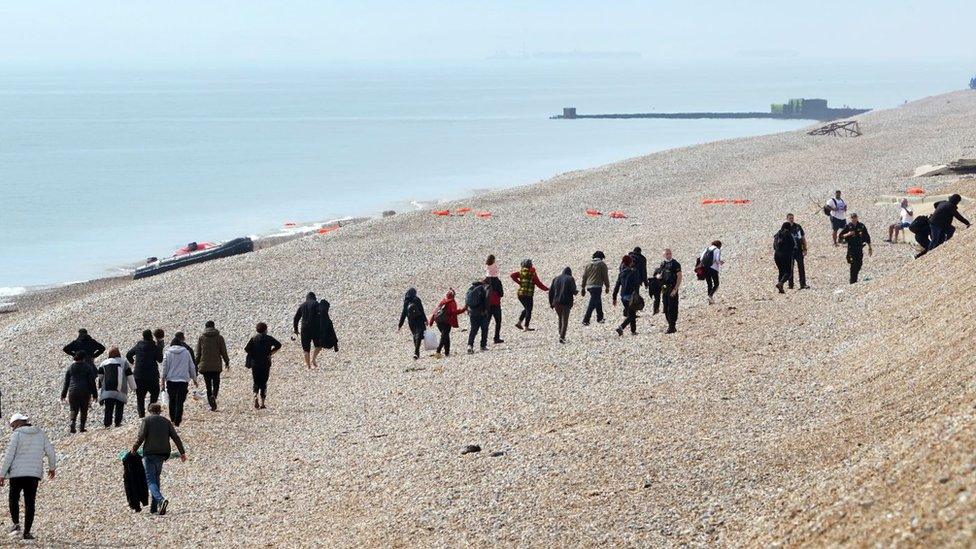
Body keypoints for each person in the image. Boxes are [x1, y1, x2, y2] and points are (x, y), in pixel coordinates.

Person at [0, 413, 56, 540]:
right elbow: (51, 452)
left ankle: (16, 524)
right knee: (30, 502)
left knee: (13, 498)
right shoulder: (40, 434)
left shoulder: (17, 435)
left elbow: (9, 456)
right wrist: (52, 467)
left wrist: (2, 474)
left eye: (13, 425)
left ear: (19, 423)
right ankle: (27, 532)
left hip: (17, 474)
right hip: (33, 474)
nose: (13, 429)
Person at [131, 403, 187, 516]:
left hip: (149, 454)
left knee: (150, 480)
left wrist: (134, 448)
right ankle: (154, 508)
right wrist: (182, 453)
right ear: (160, 411)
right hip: (162, 454)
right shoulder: (166, 422)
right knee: (156, 479)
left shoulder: (147, 421)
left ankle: (161, 500)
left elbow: (141, 436)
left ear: (149, 410)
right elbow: (175, 437)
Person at [160, 333, 198, 427]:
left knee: (172, 400)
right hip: (183, 380)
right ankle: (177, 420)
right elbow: (191, 366)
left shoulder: (168, 353)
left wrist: (163, 380)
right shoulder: (186, 352)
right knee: (180, 401)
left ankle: (172, 418)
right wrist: (194, 379)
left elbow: (164, 367)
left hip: (171, 380)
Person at [126, 330, 164, 418]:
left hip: (139, 375)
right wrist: (159, 348)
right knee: (154, 394)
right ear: (151, 336)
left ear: (143, 337)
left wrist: (133, 362)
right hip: (152, 376)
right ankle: (151, 409)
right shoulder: (154, 346)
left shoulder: (139, 345)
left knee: (140, 398)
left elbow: (128, 354)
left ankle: (141, 416)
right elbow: (160, 360)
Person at [244, 323, 282, 409]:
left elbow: (246, 349)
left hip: (255, 363)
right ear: (265, 330)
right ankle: (262, 403)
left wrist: (253, 353)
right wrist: (271, 352)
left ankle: (255, 395)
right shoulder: (269, 338)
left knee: (256, 381)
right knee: (264, 382)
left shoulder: (254, 338)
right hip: (265, 363)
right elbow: (279, 345)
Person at [97, 347, 136, 428]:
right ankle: (117, 423)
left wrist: (101, 384)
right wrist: (133, 387)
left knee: (108, 407)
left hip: (107, 389)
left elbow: (100, 376)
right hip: (120, 388)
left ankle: (107, 423)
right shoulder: (124, 362)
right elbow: (129, 375)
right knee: (119, 406)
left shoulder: (104, 363)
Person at [195, 321, 229, 412]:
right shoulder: (219, 337)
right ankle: (214, 395)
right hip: (216, 366)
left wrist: (195, 364)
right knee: (216, 382)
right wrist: (227, 362)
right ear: (214, 327)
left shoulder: (201, 338)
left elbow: (198, 353)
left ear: (205, 327)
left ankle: (211, 401)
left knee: (208, 385)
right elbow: (223, 351)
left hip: (205, 366)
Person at [60, 351, 97, 433]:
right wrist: (95, 394)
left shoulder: (70, 368)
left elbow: (66, 382)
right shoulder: (87, 367)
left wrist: (63, 394)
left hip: (73, 391)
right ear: (83, 358)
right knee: (84, 409)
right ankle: (82, 427)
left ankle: (72, 423)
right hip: (85, 391)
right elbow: (92, 382)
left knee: (73, 409)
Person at [510, 259, 548, 331]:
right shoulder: (532, 274)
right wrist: (547, 289)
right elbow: (538, 284)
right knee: (529, 310)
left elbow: (512, 275)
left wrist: (519, 282)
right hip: (528, 295)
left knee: (526, 308)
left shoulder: (520, 272)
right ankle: (526, 327)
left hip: (520, 294)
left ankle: (519, 323)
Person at [429, 290, 466, 358]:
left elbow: (436, 311)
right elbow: (454, 312)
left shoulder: (443, 301)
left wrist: (431, 321)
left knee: (445, 336)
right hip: (447, 322)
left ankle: (447, 352)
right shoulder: (452, 302)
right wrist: (463, 310)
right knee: (444, 336)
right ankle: (438, 351)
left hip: (439, 321)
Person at [838, 213, 873, 284]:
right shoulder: (848, 226)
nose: (854, 219)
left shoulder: (861, 226)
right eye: (852, 218)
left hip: (859, 248)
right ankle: (853, 281)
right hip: (851, 248)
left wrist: (870, 247)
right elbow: (840, 237)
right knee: (853, 264)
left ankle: (855, 279)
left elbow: (867, 237)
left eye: (855, 217)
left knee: (859, 264)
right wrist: (848, 234)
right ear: (850, 218)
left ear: (857, 218)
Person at [654, 249, 682, 334]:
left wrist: (675, 289)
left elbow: (679, 276)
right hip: (664, 288)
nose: (668, 255)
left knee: (672, 308)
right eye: (667, 254)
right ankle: (670, 325)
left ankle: (672, 326)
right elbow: (659, 273)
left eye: (670, 253)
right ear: (664, 255)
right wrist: (657, 276)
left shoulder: (675, 264)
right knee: (665, 308)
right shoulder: (663, 264)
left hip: (672, 287)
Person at [613, 255, 642, 336]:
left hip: (623, 296)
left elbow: (617, 285)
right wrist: (637, 295)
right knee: (632, 315)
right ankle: (621, 327)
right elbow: (637, 285)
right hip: (631, 296)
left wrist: (614, 297)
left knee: (631, 313)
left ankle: (633, 331)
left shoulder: (621, 273)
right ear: (630, 262)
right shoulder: (634, 271)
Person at [580, 251, 610, 325]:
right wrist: (607, 286)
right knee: (592, 303)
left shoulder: (588, 264)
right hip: (597, 286)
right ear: (602, 257)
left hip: (589, 286)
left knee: (597, 300)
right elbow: (605, 276)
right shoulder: (602, 264)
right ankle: (586, 319)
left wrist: (583, 287)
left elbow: (584, 276)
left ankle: (600, 318)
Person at [548, 267, 577, 343]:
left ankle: (560, 333)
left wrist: (551, 303)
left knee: (560, 318)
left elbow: (551, 292)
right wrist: (576, 292)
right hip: (566, 302)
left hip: (556, 302)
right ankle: (562, 337)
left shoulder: (556, 279)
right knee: (565, 320)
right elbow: (573, 291)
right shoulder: (570, 279)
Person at [293, 292, 320, 368]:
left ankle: (308, 366)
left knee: (306, 349)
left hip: (304, 329)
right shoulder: (316, 304)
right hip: (315, 329)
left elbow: (296, 318)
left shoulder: (302, 305)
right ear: (314, 297)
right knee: (319, 345)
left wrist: (296, 329)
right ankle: (313, 359)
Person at [398, 288, 426, 360]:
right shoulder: (417, 299)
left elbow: (403, 313)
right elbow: (421, 310)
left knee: (415, 335)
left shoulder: (406, 301)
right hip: (419, 319)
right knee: (419, 335)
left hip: (411, 321)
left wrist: (400, 325)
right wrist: (425, 320)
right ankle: (416, 352)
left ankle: (416, 352)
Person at [465, 280, 490, 354]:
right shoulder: (481, 289)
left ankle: (470, 345)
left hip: (472, 314)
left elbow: (467, 302)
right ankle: (483, 346)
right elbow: (485, 301)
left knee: (473, 330)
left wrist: (468, 310)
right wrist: (486, 310)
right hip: (482, 313)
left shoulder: (470, 290)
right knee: (484, 329)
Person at [484, 255, 504, 344]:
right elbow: (501, 294)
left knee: (486, 322)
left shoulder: (485, 281)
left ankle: (484, 340)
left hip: (487, 305)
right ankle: (496, 338)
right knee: (498, 321)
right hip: (496, 304)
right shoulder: (497, 281)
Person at [786, 213, 809, 289]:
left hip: (799, 250)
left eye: (792, 218)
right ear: (787, 219)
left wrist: (805, 248)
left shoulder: (798, 227)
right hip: (789, 251)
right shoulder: (785, 228)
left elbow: (803, 238)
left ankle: (803, 284)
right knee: (790, 268)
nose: (791, 219)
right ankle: (790, 285)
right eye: (790, 218)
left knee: (801, 267)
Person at [773, 222, 795, 294]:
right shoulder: (788, 234)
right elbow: (793, 244)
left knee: (781, 271)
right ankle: (781, 283)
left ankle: (780, 289)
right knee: (788, 272)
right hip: (786, 255)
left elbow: (774, 246)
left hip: (776, 255)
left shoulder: (778, 234)